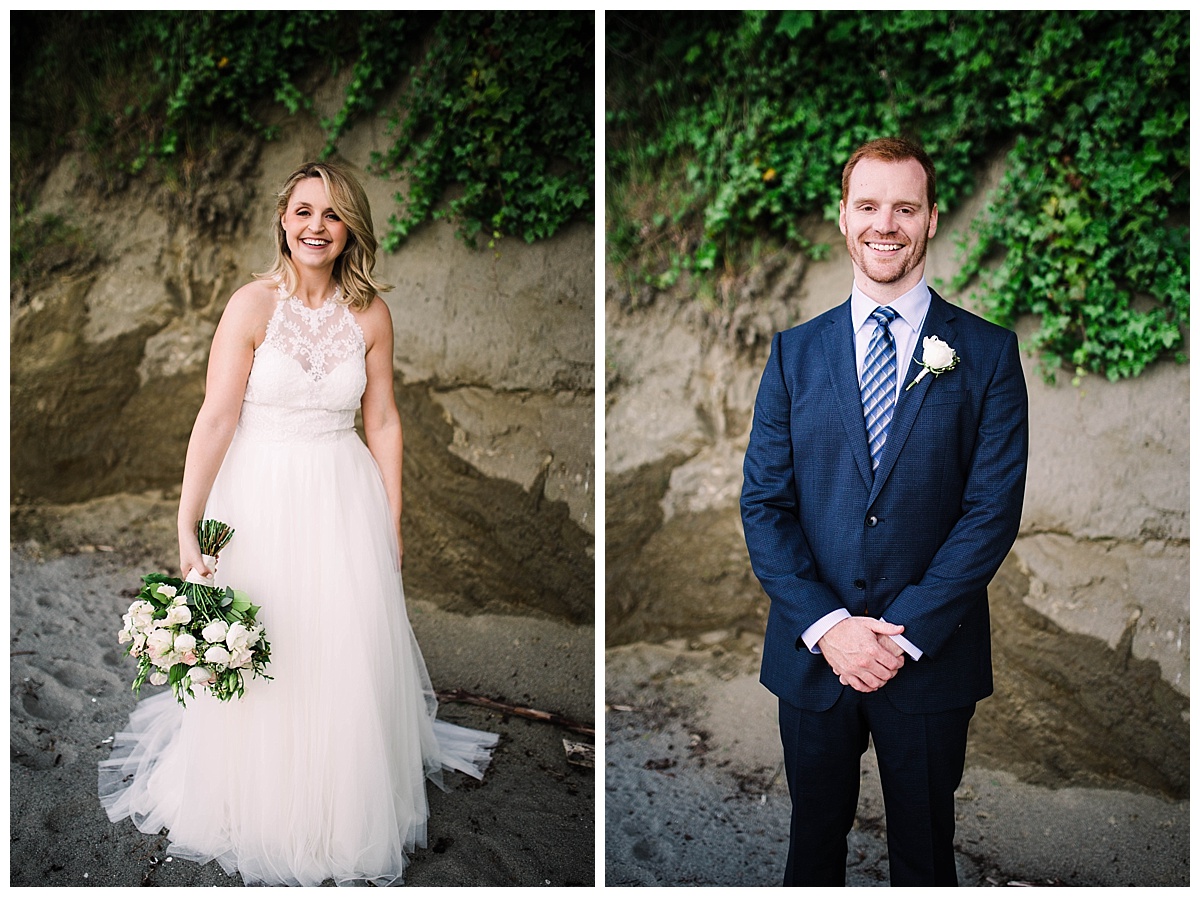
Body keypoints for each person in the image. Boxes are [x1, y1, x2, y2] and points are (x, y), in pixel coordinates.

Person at [99, 161, 498, 886]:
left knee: (338, 643)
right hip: (256, 494)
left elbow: (380, 418)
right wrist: (187, 524)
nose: (317, 226)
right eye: (305, 210)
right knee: (263, 636)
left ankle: (339, 809)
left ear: (351, 230)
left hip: (343, 494)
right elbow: (217, 415)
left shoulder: (371, 313)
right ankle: (253, 796)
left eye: (333, 214)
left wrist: (392, 516)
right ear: (283, 218)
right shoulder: (251, 306)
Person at [740, 137, 1028, 886]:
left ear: (931, 219)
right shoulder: (793, 355)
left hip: (929, 660)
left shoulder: (988, 354)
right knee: (811, 851)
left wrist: (902, 639)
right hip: (814, 657)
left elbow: (990, 512)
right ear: (843, 218)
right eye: (868, 205)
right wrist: (832, 628)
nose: (885, 224)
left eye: (905, 207)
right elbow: (765, 505)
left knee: (926, 855)